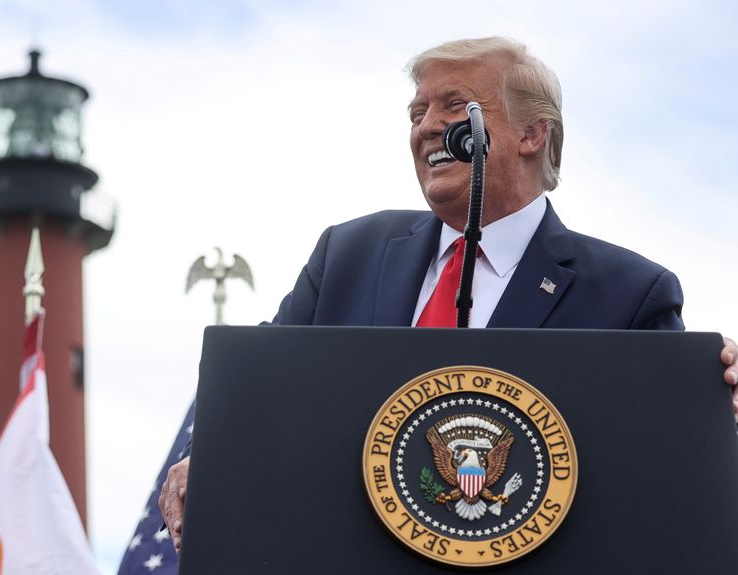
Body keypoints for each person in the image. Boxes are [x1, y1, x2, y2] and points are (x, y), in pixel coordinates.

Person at [158, 37, 738, 553]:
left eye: (453, 106)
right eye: (417, 112)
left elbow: (673, 470)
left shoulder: (631, 292)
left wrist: (720, 407)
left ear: (532, 134)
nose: (427, 126)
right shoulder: (348, 254)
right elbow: (261, 383)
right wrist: (207, 452)